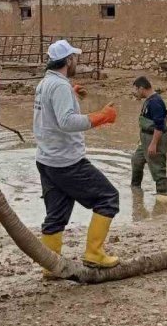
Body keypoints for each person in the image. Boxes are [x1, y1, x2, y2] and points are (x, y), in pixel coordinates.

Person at [35, 39, 121, 273]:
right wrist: (102, 116)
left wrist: (71, 96)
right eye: (75, 58)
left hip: (47, 160)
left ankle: (50, 266)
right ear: (68, 60)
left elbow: (51, 113)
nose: (77, 62)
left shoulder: (45, 83)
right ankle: (94, 254)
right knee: (108, 198)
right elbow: (66, 122)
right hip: (67, 162)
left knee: (55, 215)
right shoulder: (59, 86)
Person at [130, 76, 167, 195]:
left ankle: (162, 195)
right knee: (136, 160)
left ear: (141, 88)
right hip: (145, 139)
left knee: (158, 169)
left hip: (155, 139)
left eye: (136, 89)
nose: (135, 93)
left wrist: (153, 144)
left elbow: (159, 126)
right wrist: (141, 139)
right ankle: (136, 192)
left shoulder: (155, 102)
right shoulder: (148, 100)